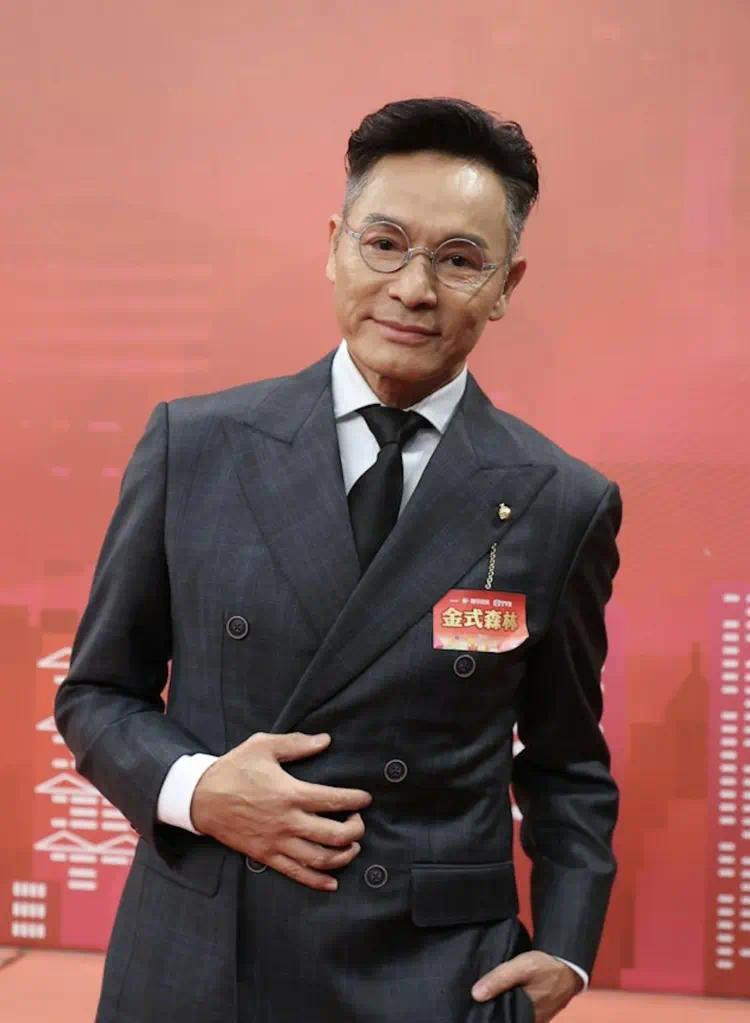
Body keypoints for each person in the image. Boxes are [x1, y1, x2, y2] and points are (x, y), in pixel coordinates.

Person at [55, 96, 623, 1023]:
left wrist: (565, 946)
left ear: (506, 284)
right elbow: (95, 694)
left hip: (434, 974)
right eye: (385, 243)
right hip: (206, 956)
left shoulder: (562, 500)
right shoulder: (195, 447)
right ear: (334, 245)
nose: (414, 288)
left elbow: (567, 762)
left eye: (459, 259)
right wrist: (199, 790)